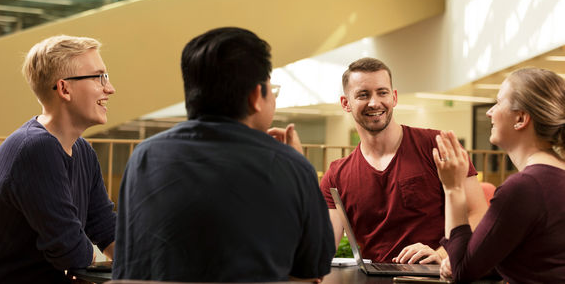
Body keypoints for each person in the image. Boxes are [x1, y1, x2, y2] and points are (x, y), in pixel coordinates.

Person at [113, 27, 335, 282]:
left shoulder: (144, 157)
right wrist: (298, 164)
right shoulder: (290, 165)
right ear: (255, 97)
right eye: (271, 89)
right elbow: (315, 264)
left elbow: (130, 262)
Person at [320, 57, 487, 264]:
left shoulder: (437, 146)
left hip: (434, 275)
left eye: (382, 92)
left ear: (394, 97)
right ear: (346, 103)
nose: (374, 102)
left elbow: (479, 215)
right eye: (363, 95)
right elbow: (322, 247)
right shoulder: (337, 175)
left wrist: (441, 253)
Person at [0, 35, 117, 284]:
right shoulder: (35, 148)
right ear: (64, 88)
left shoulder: (82, 149)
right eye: (99, 77)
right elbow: (70, 251)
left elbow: (106, 229)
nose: (109, 88)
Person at [436, 67, 565, 283]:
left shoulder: (525, 187)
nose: (489, 112)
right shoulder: (553, 177)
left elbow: (463, 272)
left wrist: (453, 188)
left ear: (521, 119)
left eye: (498, 102)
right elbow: (539, 260)